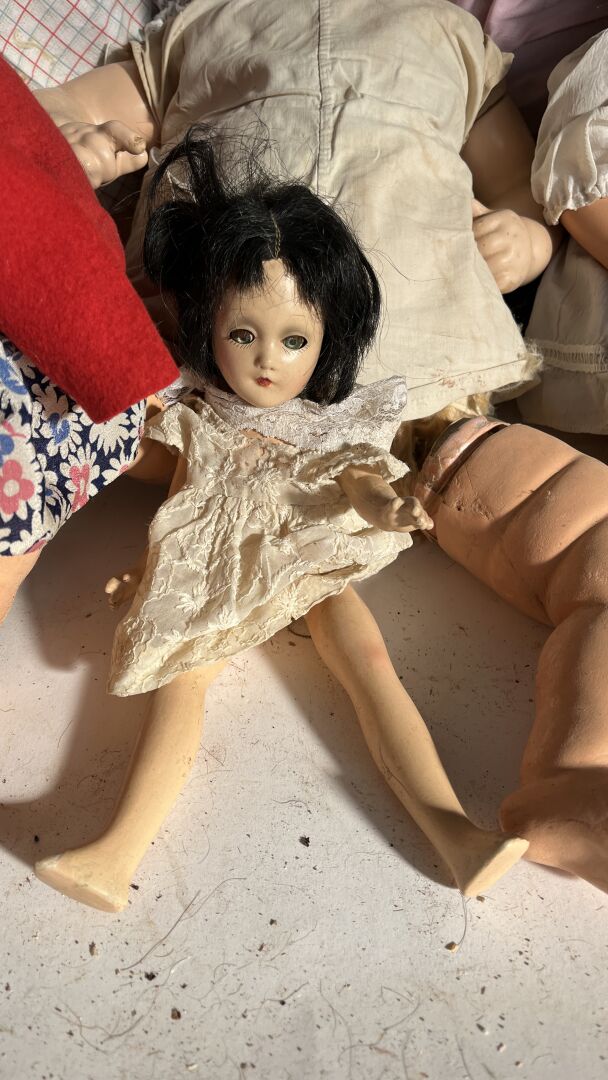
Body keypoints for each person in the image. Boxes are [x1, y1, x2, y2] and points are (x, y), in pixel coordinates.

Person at [33, 131, 529, 911]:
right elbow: (183, 500)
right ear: (208, 325)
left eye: (295, 340)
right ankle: (114, 853)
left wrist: (389, 504)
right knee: (179, 686)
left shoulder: (326, 423)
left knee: (369, 665)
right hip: (215, 572)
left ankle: (458, 834)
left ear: (328, 340)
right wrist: (149, 569)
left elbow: (355, 477)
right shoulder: (199, 414)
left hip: (306, 561)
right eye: (244, 334)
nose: (268, 359)